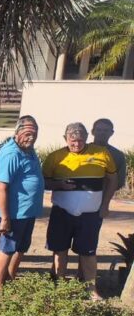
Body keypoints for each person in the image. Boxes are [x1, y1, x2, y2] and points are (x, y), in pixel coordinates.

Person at [42, 122, 118, 299]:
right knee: (60, 250)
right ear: (65, 138)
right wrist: (59, 185)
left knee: (88, 252)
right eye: (73, 140)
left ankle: (91, 290)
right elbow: (43, 182)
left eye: (81, 140)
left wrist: (105, 204)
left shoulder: (101, 153)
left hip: (91, 215)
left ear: (86, 138)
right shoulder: (55, 157)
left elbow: (112, 180)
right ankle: (60, 289)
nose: (77, 144)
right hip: (62, 212)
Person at [0, 116, 44, 290]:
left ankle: (10, 279)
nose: (31, 138)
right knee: (7, 248)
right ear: (17, 132)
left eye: (34, 134)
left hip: (27, 211)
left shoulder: (28, 150)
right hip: (14, 212)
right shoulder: (11, 154)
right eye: (28, 134)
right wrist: (5, 218)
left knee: (21, 247)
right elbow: (0, 187)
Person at [91, 118, 127, 192]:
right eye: (99, 130)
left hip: (103, 197)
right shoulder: (82, 151)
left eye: (106, 130)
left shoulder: (118, 155)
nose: (102, 133)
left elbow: (119, 182)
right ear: (93, 131)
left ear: (112, 133)